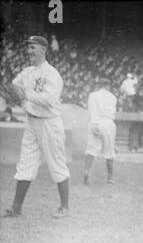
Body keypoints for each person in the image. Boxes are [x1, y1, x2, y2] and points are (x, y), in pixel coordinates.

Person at [2, 35, 70, 218]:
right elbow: (13, 88)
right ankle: (16, 209)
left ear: (43, 49)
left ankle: (64, 208)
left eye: (33, 47)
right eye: (28, 47)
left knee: (57, 163)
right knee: (25, 163)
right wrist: (12, 94)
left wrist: (25, 95)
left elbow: (49, 100)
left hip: (50, 122)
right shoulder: (26, 72)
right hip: (32, 122)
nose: (29, 51)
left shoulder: (52, 74)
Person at [84, 77, 117, 185]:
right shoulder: (113, 97)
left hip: (96, 120)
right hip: (108, 122)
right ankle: (110, 178)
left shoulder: (93, 95)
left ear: (99, 86)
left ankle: (87, 172)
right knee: (109, 151)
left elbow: (92, 110)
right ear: (108, 86)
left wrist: (95, 124)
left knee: (91, 148)